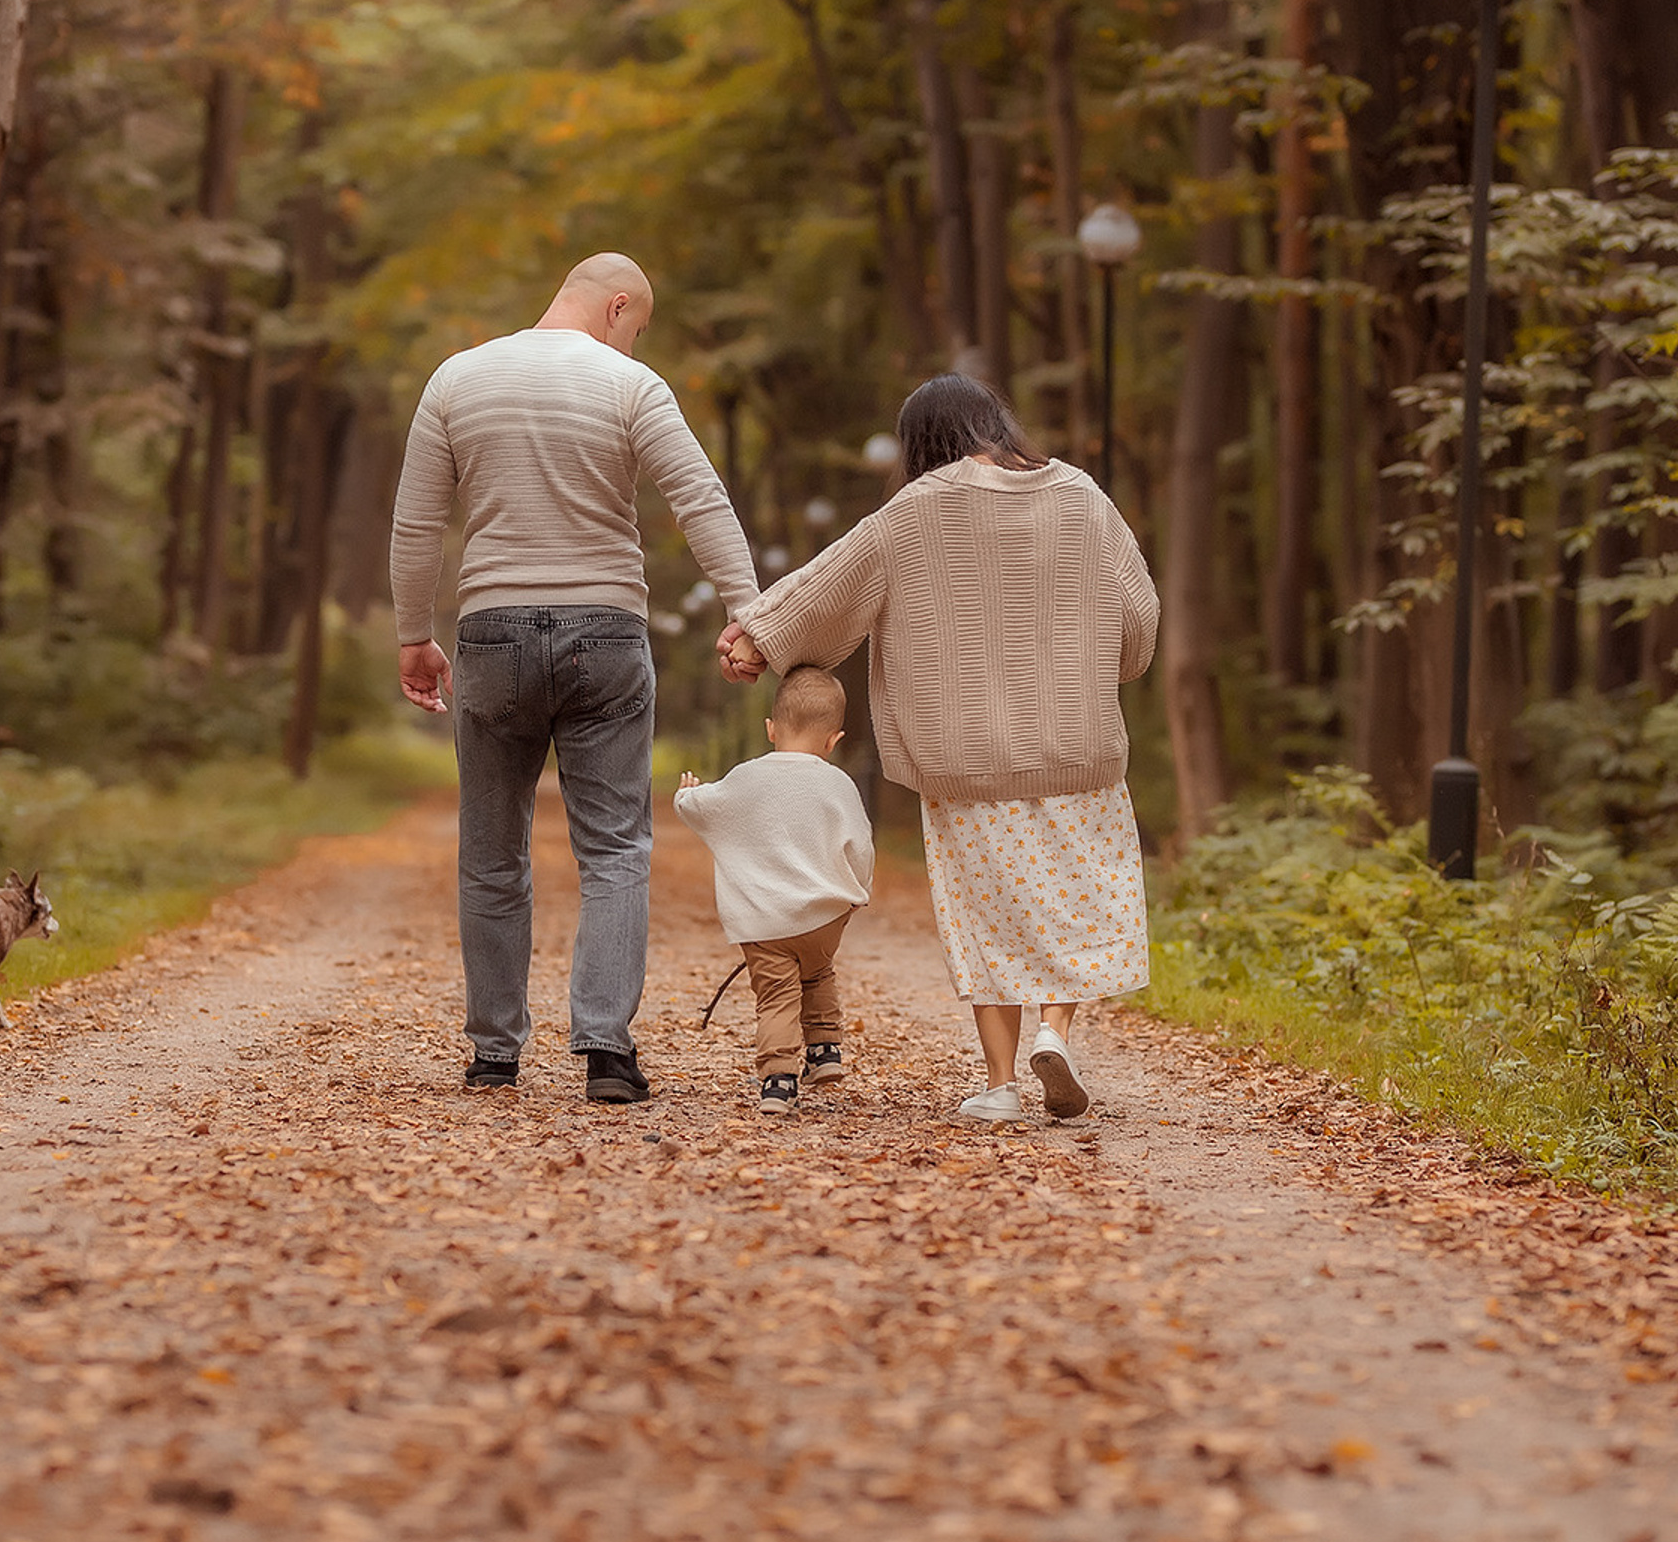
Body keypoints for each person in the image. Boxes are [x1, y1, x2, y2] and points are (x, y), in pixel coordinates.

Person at [719, 374, 1158, 1124]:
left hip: (964, 763)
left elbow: (831, 586)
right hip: (1077, 747)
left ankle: (1001, 1084)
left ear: (922, 443)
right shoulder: (1085, 496)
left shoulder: (916, 510)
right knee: (1077, 906)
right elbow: (1139, 615)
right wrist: (1100, 671)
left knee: (986, 918)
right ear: (995, 423)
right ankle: (1055, 1031)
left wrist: (756, 636)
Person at [390, 252, 759, 1102]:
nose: (632, 345)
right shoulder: (632, 388)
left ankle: (493, 1054)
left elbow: (418, 525)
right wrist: (750, 611)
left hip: (490, 635)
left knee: (489, 853)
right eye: (635, 330)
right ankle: (606, 1053)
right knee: (617, 847)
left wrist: (416, 635)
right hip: (607, 634)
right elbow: (700, 499)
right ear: (617, 306)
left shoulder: (456, 378)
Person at [672, 665, 874, 1118]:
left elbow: (707, 810)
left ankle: (779, 1080)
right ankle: (825, 1052)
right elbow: (861, 844)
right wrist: (859, 890)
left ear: (770, 729)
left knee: (777, 996)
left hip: (764, 921)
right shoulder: (839, 784)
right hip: (825, 915)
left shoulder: (746, 777)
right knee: (818, 973)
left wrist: (686, 797)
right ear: (833, 740)